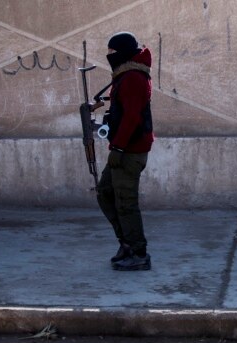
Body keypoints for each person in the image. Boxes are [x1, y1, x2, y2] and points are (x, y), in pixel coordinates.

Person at [96, 31, 154, 271]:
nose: (109, 56)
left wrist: (118, 148)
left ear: (122, 53)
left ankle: (138, 252)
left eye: (112, 52)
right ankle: (127, 243)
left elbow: (131, 117)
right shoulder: (125, 75)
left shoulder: (131, 77)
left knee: (126, 202)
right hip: (125, 149)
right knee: (106, 193)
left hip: (130, 151)